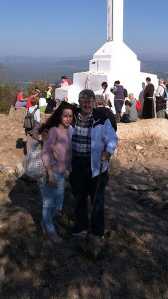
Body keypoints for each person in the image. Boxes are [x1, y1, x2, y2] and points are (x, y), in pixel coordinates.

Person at [69, 89, 118, 238]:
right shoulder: (72, 117)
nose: (86, 104)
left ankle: (97, 231)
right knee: (79, 198)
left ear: (94, 103)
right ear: (79, 102)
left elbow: (112, 138)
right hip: (76, 164)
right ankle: (81, 225)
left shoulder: (101, 118)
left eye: (89, 102)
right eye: (83, 102)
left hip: (95, 166)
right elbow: (56, 128)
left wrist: (108, 152)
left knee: (97, 200)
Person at [38, 102, 74, 244]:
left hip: (61, 173)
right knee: (48, 205)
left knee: (57, 207)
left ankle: (44, 223)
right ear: (59, 116)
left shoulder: (70, 130)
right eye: (65, 116)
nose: (68, 119)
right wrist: (50, 173)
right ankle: (51, 232)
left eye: (70, 116)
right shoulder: (53, 131)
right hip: (51, 173)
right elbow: (46, 151)